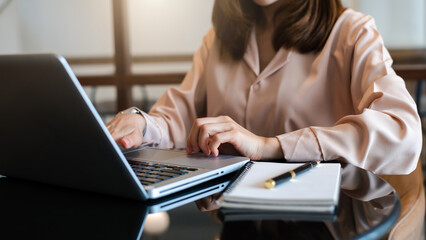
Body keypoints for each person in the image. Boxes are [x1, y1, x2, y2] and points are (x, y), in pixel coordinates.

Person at [107, 0, 422, 176]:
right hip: (232, 220)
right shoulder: (219, 39)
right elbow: (181, 117)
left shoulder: (352, 32)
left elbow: (402, 134)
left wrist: (269, 146)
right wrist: (142, 123)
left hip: (325, 226)